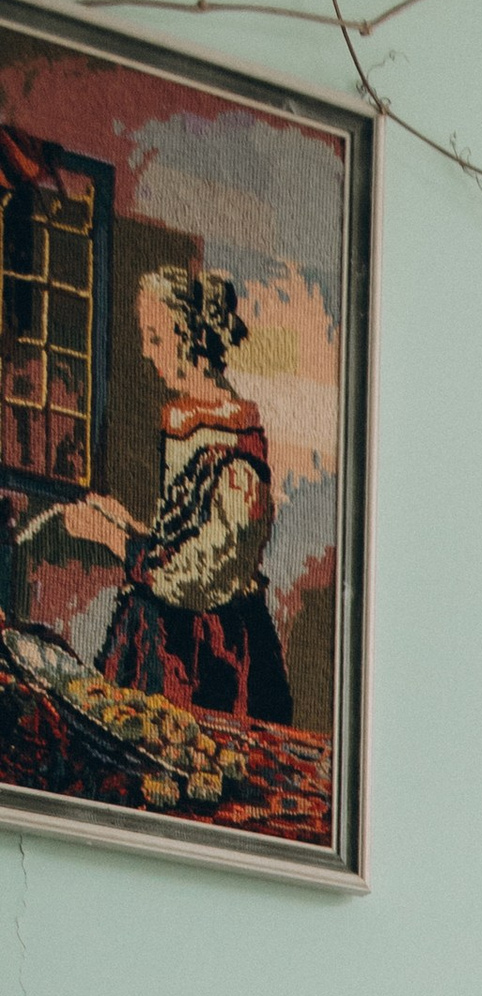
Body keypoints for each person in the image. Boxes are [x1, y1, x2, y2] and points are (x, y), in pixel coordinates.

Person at [59, 267, 294, 721]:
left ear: (192, 338)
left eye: (156, 338)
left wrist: (113, 540)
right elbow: (184, 534)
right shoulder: (184, 418)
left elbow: (205, 573)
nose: (147, 353)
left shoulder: (235, 439)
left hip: (212, 652)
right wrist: (127, 523)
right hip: (165, 633)